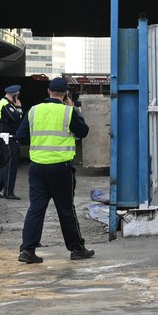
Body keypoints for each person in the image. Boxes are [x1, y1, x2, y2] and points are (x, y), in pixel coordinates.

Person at [16, 77, 94, 263]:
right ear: (66, 94)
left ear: (48, 92)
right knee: (66, 209)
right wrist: (73, 109)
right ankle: (77, 249)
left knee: (36, 209)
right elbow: (83, 132)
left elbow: (21, 136)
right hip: (60, 168)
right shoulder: (68, 112)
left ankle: (27, 250)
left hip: (37, 168)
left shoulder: (34, 110)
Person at [0, 85, 23, 199]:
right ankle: (8, 192)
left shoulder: (8, 104)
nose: (18, 98)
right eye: (17, 96)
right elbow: (16, 118)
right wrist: (19, 108)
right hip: (7, 138)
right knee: (10, 164)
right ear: (14, 95)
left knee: (11, 164)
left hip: (10, 137)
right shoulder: (5, 104)